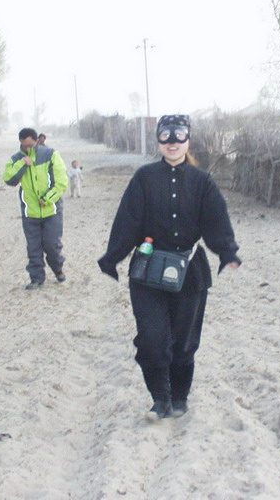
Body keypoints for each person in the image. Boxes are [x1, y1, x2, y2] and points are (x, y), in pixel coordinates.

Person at [97, 115, 241, 421]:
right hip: (147, 272)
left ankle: (179, 397)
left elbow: (215, 219)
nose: (173, 142)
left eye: (179, 136)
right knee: (152, 338)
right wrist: (113, 257)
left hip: (189, 272)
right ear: (158, 141)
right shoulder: (144, 179)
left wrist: (227, 250)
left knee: (184, 340)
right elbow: (128, 221)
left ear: (188, 140)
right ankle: (159, 399)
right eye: (166, 136)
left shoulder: (202, 182)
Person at [3, 128, 68, 289]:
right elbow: (9, 179)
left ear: (37, 141)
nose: (28, 148)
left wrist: (48, 198)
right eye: (25, 146)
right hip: (29, 212)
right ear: (20, 143)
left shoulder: (51, 154)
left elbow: (61, 182)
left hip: (51, 210)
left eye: (31, 145)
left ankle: (58, 268)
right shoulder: (16, 159)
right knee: (33, 247)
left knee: (52, 245)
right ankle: (37, 279)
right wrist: (22, 164)